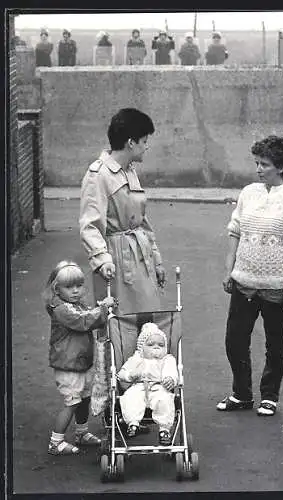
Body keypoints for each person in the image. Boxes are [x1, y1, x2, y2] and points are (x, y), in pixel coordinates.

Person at [217, 136, 283, 417]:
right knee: (234, 341)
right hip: (243, 283)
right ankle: (242, 394)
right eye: (257, 163)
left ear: (281, 167)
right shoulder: (249, 193)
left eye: (265, 164)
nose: (259, 169)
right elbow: (235, 232)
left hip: (276, 288)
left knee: (275, 345)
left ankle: (269, 397)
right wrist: (229, 270)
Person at [79, 108, 166, 317]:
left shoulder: (129, 170)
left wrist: (157, 261)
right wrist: (102, 260)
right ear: (130, 142)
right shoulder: (98, 175)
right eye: (144, 141)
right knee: (119, 326)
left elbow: (142, 222)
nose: (147, 146)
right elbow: (90, 225)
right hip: (116, 262)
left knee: (147, 323)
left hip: (140, 255)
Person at [44, 260, 116, 455]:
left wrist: (99, 309)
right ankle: (55, 441)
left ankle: (81, 433)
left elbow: (86, 314)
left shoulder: (74, 304)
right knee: (72, 402)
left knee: (83, 399)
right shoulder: (61, 309)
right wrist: (102, 310)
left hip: (79, 362)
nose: (75, 290)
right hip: (67, 365)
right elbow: (83, 321)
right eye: (69, 287)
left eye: (78, 285)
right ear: (56, 289)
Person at [117, 323, 178, 445]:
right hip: (138, 386)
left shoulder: (167, 359)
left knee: (164, 400)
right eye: (150, 345)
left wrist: (170, 379)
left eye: (161, 345)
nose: (156, 348)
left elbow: (172, 372)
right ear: (141, 347)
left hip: (159, 387)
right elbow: (122, 374)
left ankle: (164, 429)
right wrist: (130, 375)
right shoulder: (136, 359)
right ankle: (133, 423)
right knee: (131, 398)